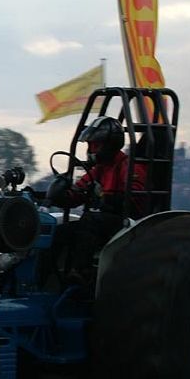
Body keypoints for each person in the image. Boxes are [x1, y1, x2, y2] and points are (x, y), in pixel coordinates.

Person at [50, 116, 147, 285]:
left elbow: (135, 199)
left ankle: (81, 272)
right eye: (90, 145)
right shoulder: (99, 169)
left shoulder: (128, 165)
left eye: (95, 145)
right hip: (103, 221)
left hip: (127, 222)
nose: (91, 150)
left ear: (109, 145)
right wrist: (56, 196)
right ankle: (45, 280)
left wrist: (104, 197)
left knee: (89, 220)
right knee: (59, 231)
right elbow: (78, 193)